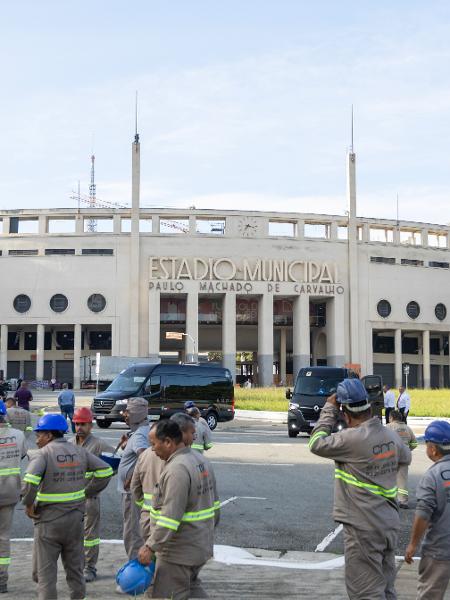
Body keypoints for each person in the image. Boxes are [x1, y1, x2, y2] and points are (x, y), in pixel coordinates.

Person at [309, 378, 411, 600]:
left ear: (344, 412)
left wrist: (328, 408)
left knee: (365, 592)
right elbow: (406, 456)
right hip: (388, 523)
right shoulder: (389, 435)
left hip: (363, 527)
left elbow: (316, 442)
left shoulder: (350, 439)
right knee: (385, 588)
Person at [22, 413, 113, 600]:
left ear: (49, 435)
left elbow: (30, 482)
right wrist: (87, 492)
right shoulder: (79, 451)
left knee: (46, 577)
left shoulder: (43, 454)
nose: (37, 439)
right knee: (76, 572)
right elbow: (106, 470)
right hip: (75, 521)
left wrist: (29, 504)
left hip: (48, 522)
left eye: (39, 434)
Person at [137, 420, 220, 600]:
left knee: (166, 594)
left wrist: (150, 546)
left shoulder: (177, 469)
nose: (152, 450)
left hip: (177, 552)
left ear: (168, 442)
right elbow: (215, 508)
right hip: (199, 545)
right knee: (191, 587)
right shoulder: (200, 460)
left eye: (153, 444)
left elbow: (169, 517)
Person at [131, 414, 196, 543]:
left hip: (148, 520)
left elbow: (135, 488)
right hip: (170, 526)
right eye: (192, 432)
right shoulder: (180, 460)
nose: (194, 437)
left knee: (152, 558)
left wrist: (146, 506)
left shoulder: (145, 455)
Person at [405, 420, 450, 600]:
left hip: (439, 550)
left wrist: (413, 544)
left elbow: (423, 513)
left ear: (433, 449)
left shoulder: (432, 476)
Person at [69, 406, 114, 583]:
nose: (79, 428)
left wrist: (93, 488)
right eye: (77, 424)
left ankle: (90, 567)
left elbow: (112, 466)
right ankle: (76, 566)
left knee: (90, 536)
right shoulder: (69, 444)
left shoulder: (99, 444)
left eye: (83, 424)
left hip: (89, 498)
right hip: (71, 499)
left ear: (90, 425)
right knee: (73, 535)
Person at [117, 397, 150, 560]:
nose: (125, 414)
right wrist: (125, 445)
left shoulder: (139, 436)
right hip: (134, 492)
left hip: (132, 493)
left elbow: (144, 457)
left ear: (137, 414)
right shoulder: (138, 433)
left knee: (132, 533)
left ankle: (136, 570)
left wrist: (131, 478)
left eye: (128, 412)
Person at [0, 399, 27, 594]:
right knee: (3, 537)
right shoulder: (18, 435)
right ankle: (2, 580)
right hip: (9, 493)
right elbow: (23, 455)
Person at [387, 409, 418, 508]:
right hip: (404, 457)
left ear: (391, 418)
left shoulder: (388, 427)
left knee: (388, 479)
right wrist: (408, 449)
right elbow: (414, 443)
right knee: (402, 480)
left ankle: (389, 500)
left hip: (391, 457)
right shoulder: (407, 428)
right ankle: (403, 502)